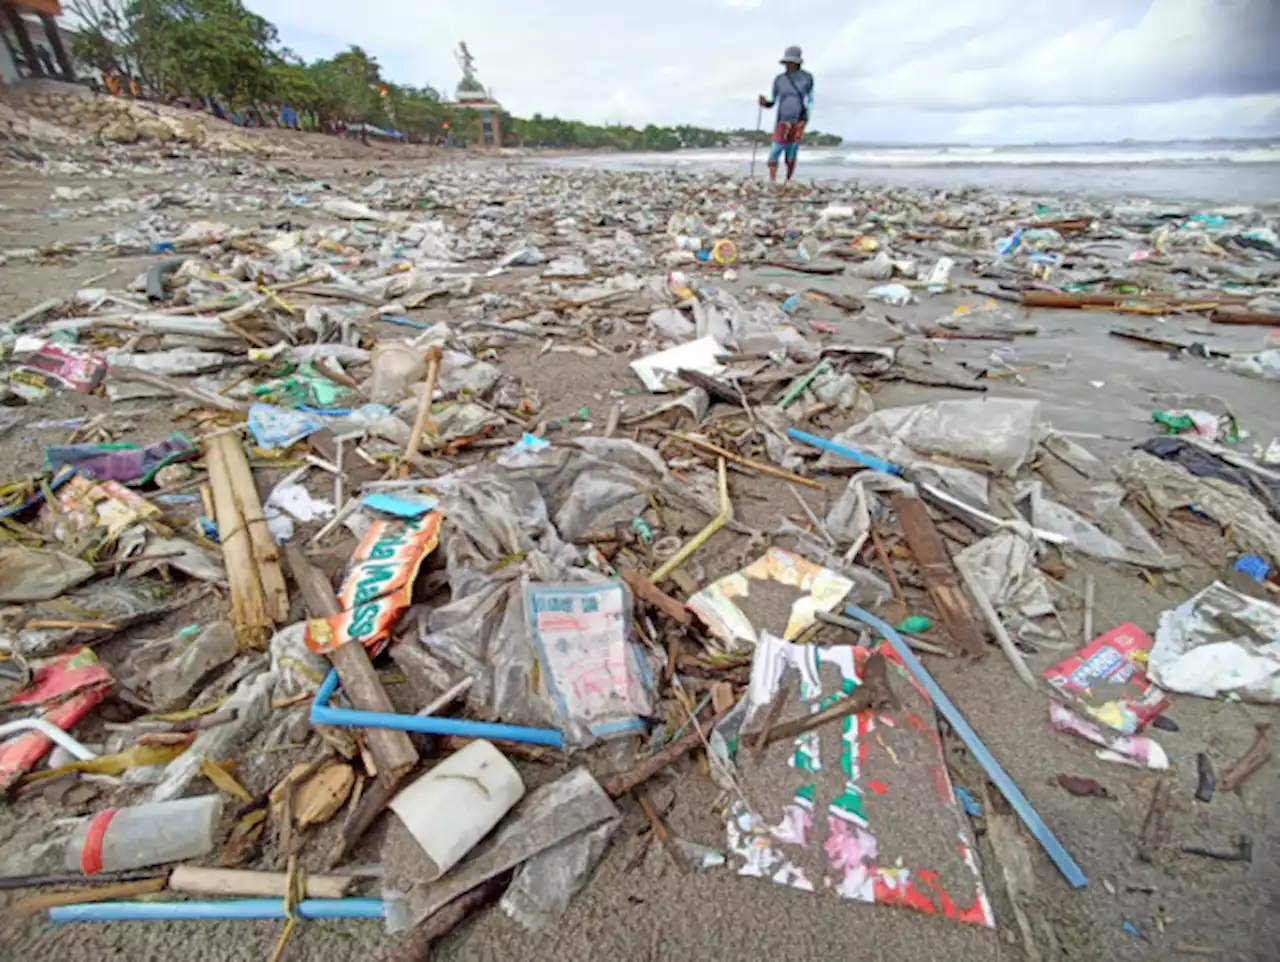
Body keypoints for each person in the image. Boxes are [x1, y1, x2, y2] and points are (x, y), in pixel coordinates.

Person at [758, 45, 814, 183]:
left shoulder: (807, 78)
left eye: (791, 63)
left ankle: (788, 180)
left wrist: (806, 119)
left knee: (791, 151)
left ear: (797, 63)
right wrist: (764, 103)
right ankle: (772, 179)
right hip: (782, 119)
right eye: (787, 63)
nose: (788, 66)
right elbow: (773, 101)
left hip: (799, 119)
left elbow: (810, 100)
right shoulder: (779, 80)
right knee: (775, 150)